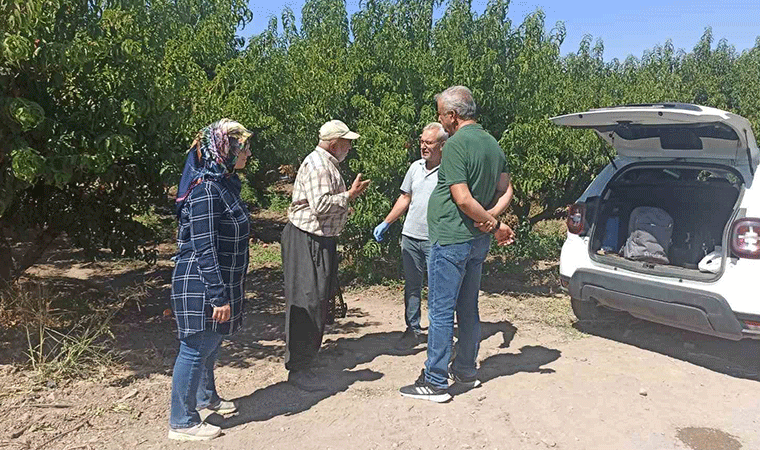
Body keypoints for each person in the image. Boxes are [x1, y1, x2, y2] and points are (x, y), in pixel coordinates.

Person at [400, 86, 515, 403]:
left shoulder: (454, 146)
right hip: (476, 243)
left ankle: (435, 381)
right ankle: (465, 371)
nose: (440, 119)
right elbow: (507, 191)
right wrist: (493, 217)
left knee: (440, 311)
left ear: (452, 115)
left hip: (451, 239)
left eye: (440, 113)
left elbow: (462, 199)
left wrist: (490, 221)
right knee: (468, 308)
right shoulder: (491, 143)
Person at [168, 119, 253, 440]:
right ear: (225, 149)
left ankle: (206, 398)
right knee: (195, 347)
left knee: (212, 341)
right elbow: (204, 247)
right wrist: (218, 296)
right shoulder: (206, 190)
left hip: (219, 281)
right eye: (243, 147)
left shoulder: (224, 184)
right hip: (201, 282)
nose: (248, 153)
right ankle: (182, 422)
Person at [282, 119, 371, 391]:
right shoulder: (321, 165)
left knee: (318, 299)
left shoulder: (326, 163)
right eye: (346, 143)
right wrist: (349, 196)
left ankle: (306, 360)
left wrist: (343, 206)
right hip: (306, 239)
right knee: (307, 300)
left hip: (317, 239)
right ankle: (298, 368)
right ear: (334, 143)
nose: (349, 148)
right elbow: (320, 206)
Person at [373, 123, 447, 349]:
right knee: (412, 286)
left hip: (435, 239)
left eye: (429, 142)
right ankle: (412, 329)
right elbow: (405, 198)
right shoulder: (415, 167)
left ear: (442, 145)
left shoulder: (449, 170)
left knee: (437, 289)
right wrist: (386, 222)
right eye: (421, 141)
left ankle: (437, 334)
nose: (423, 146)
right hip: (411, 236)